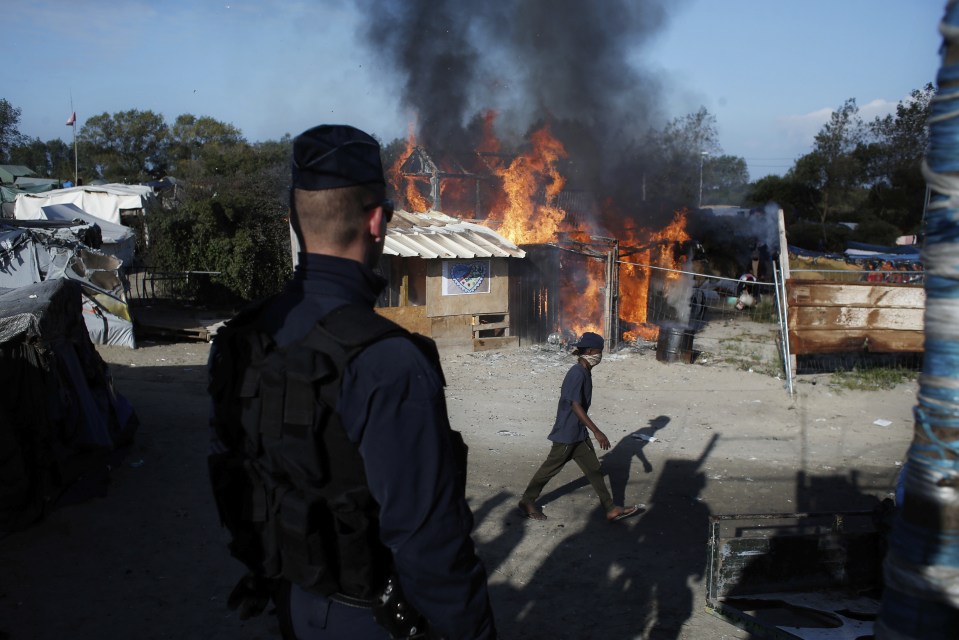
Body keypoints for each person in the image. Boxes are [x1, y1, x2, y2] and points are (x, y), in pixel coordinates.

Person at [208, 124, 496, 639]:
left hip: (288, 602)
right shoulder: (388, 361)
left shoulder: (241, 339)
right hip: (368, 618)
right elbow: (430, 544)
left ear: (294, 220)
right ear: (378, 221)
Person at [517, 332, 640, 522]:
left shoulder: (584, 372)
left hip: (578, 434)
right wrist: (597, 431)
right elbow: (575, 405)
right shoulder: (577, 374)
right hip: (567, 434)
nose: (600, 356)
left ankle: (610, 508)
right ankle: (527, 501)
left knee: (594, 470)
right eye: (599, 352)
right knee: (549, 469)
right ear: (590, 351)